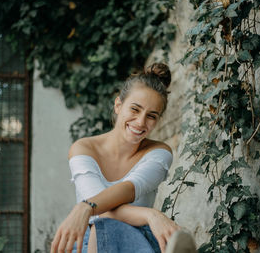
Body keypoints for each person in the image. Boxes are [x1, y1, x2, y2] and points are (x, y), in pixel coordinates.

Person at [50, 63, 196, 253]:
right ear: (118, 105)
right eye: (135, 109)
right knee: (102, 227)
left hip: (137, 240)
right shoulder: (84, 148)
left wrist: (85, 208)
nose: (141, 122)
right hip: (90, 242)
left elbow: (128, 190)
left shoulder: (159, 153)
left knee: (111, 227)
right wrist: (150, 215)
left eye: (151, 116)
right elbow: (100, 210)